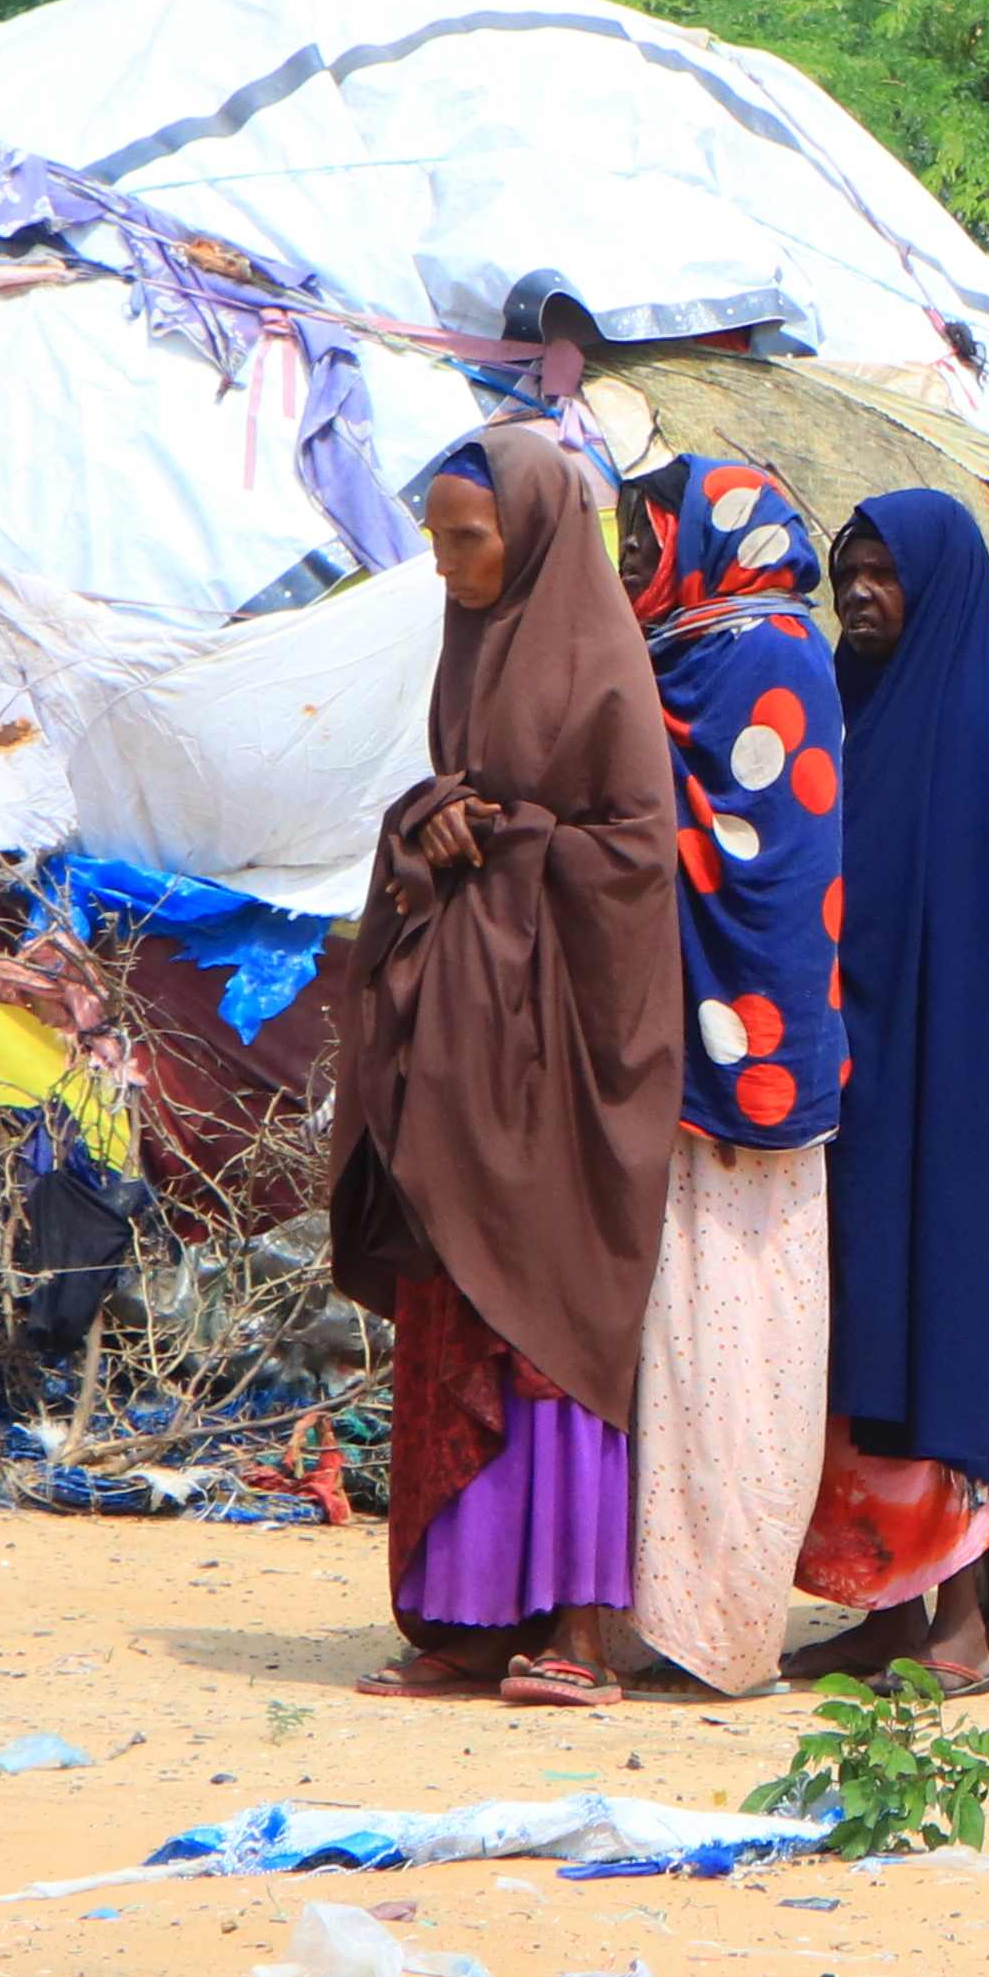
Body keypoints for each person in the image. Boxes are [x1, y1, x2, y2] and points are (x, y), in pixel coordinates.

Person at [329, 435, 684, 1711]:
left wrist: (507, 836)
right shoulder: (467, 651)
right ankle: (467, 1617)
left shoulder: (599, 666)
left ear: (530, 533)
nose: (447, 561)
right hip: (472, 1052)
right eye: (434, 539)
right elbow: (454, 806)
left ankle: (577, 1630)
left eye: (465, 539)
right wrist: (427, 820)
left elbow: (637, 859)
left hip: (568, 1063)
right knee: (456, 1312)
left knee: (552, 1320)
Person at [588, 448, 847, 1695]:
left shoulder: (751, 656)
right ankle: (687, 1615)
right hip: (708, 1059)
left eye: (649, 543)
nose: (634, 565)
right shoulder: (706, 652)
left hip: (739, 1073)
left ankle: (716, 1625)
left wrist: (755, 1062)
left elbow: (772, 884)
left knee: (726, 1347)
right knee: (696, 1348)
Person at [803, 490, 989, 1696]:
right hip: (859, 1075)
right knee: (861, 1335)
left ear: (938, 584)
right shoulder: (850, 711)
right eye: (848, 572)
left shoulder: (978, 734)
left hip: (947, 1089)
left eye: (883, 574)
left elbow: (970, 942)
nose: (859, 593)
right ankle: (883, 1609)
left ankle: (958, 1619)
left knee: (945, 1327)